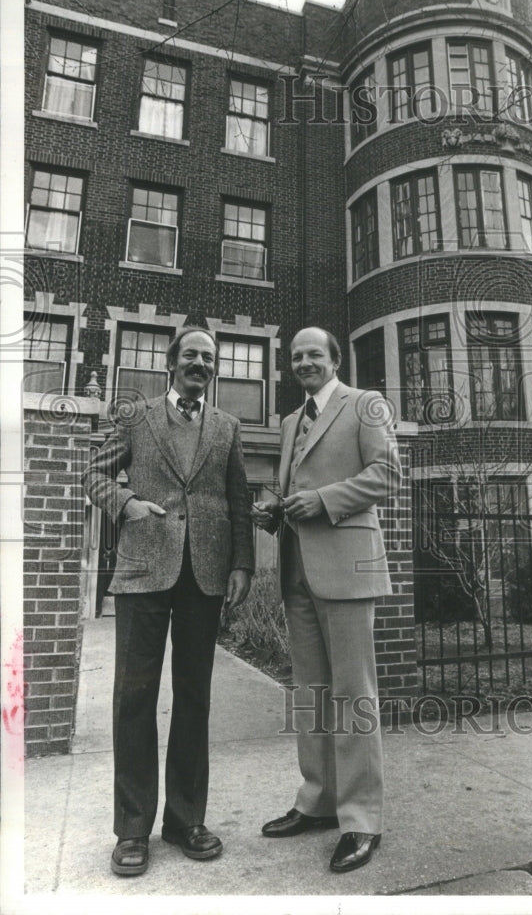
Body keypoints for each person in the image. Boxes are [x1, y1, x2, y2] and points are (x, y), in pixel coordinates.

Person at [83, 326, 254, 877]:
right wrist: (127, 501)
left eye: (209, 357)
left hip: (203, 577)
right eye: (191, 355)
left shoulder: (226, 427)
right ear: (171, 363)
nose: (200, 363)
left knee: (194, 699)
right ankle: (132, 830)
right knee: (133, 699)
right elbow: (95, 474)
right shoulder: (137, 417)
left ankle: (185, 821)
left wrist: (242, 564)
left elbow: (238, 499)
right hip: (142, 572)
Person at [252, 327, 401, 873]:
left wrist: (323, 501)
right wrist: (275, 507)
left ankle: (362, 820)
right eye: (295, 356)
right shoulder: (292, 422)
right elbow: (298, 484)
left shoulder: (366, 406)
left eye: (314, 354)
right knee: (310, 694)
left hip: (348, 571)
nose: (304, 362)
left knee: (352, 693)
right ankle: (318, 801)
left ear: (335, 360)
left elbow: (387, 475)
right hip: (298, 572)